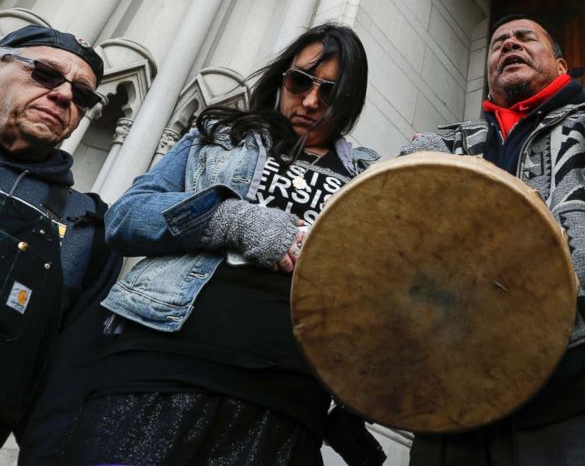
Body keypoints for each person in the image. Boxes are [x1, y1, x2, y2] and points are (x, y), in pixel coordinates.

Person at [66, 23, 385, 465]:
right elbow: (125, 218)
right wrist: (230, 220)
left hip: (285, 400)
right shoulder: (220, 136)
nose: (311, 102)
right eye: (301, 82)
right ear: (282, 79)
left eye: (331, 93)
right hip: (159, 365)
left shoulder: (369, 180)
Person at [404, 14, 585, 465]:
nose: (509, 45)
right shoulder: (449, 141)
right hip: (457, 376)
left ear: (561, 65)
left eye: (524, 38)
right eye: (499, 42)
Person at [0, 24, 122, 463]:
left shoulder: (87, 228)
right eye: (46, 74)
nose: (65, 96)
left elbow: (64, 392)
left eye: (83, 95)